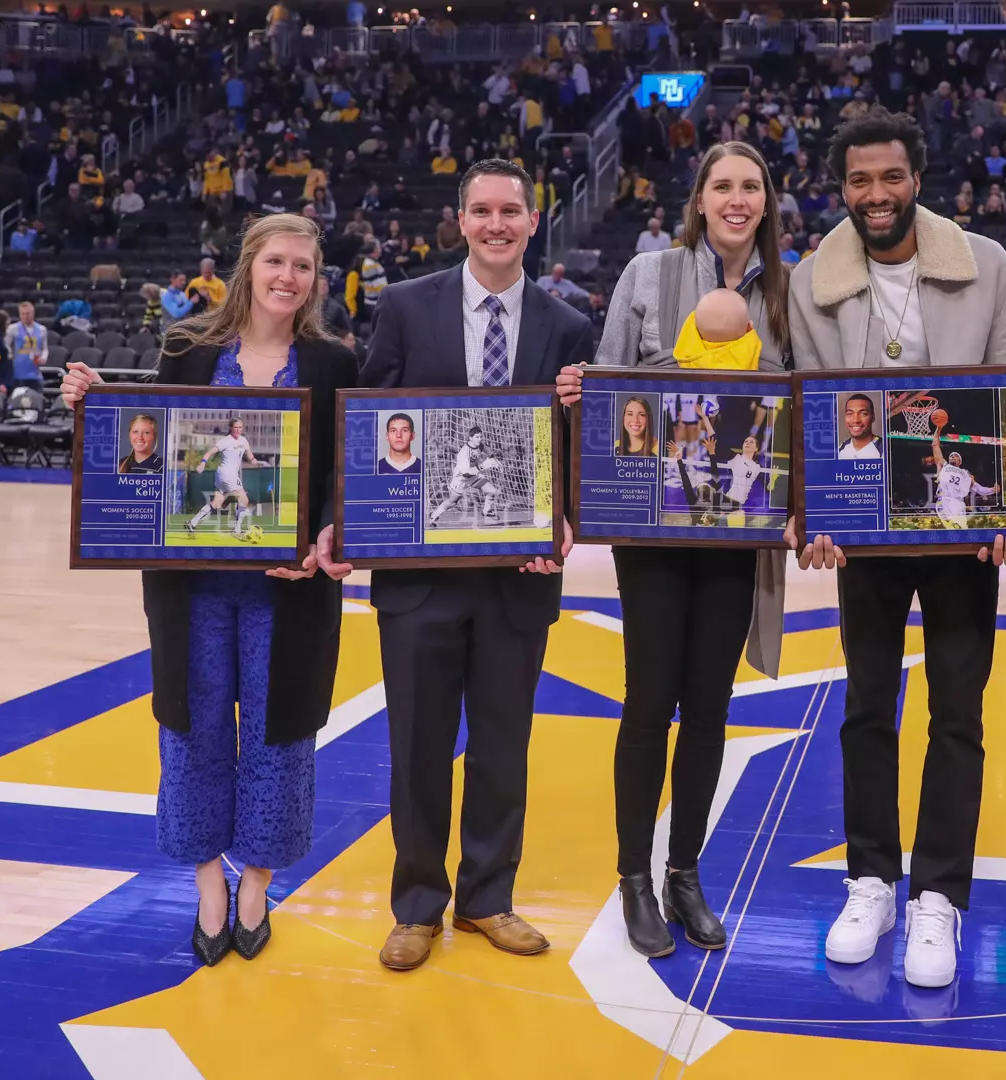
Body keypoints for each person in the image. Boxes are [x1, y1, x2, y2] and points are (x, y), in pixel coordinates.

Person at [56, 213, 358, 966]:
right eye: (276, 262)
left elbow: (341, 478)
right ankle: (208, 888)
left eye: (303, 266)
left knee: (278, 736)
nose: (288, 278)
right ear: (248, 265)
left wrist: (325, 538)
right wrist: (94, 407)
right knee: (192, 736)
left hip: (289, 592)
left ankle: (255, 884)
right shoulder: (186, 349)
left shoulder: (332, 360)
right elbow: (146, 451)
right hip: (192, 589)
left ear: (317, 278)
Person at [788, 108, 1006, 990]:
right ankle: (872, 878)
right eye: (859, 181)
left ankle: (940, 895)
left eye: (890, 177)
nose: (876, 195)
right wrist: (816, 511)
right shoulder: (814, 278)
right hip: (867, 537)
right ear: (841, 187)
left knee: (958, 714)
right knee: (866, 708)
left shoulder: (987, 263)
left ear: (917, 178)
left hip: (963, 531)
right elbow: (811, 405)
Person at [556, 142, 791, 959]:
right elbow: (610, 381)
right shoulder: (646, 275)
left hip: (735, 530)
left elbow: (795, 412)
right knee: (650, 699)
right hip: (654, 528)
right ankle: (633, 877)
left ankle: (685, 873)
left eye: (750, 187)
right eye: (721, 185)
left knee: (711, 705)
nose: (736, 199)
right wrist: (582, 390)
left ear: (766, 202)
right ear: (698, 200)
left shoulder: (788, 293)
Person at [361, 160, 593, 972]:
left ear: (534, 221)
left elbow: (575, 450)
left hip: (517, 574)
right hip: (420, 577)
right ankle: (417, 905)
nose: (497, 225)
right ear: (460, 221)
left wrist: (567, 508)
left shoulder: (568, 325)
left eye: (512, 212)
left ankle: (487, 898)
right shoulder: (402, 306)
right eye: (482, 211)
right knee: (418, 745)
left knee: (503, 742)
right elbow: (370, 429)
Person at [838, 392, 881, 458]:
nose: (855, 420)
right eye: (850, 413)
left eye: (863, 414)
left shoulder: (885, 449)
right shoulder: (840, 451)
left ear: (873, 417)